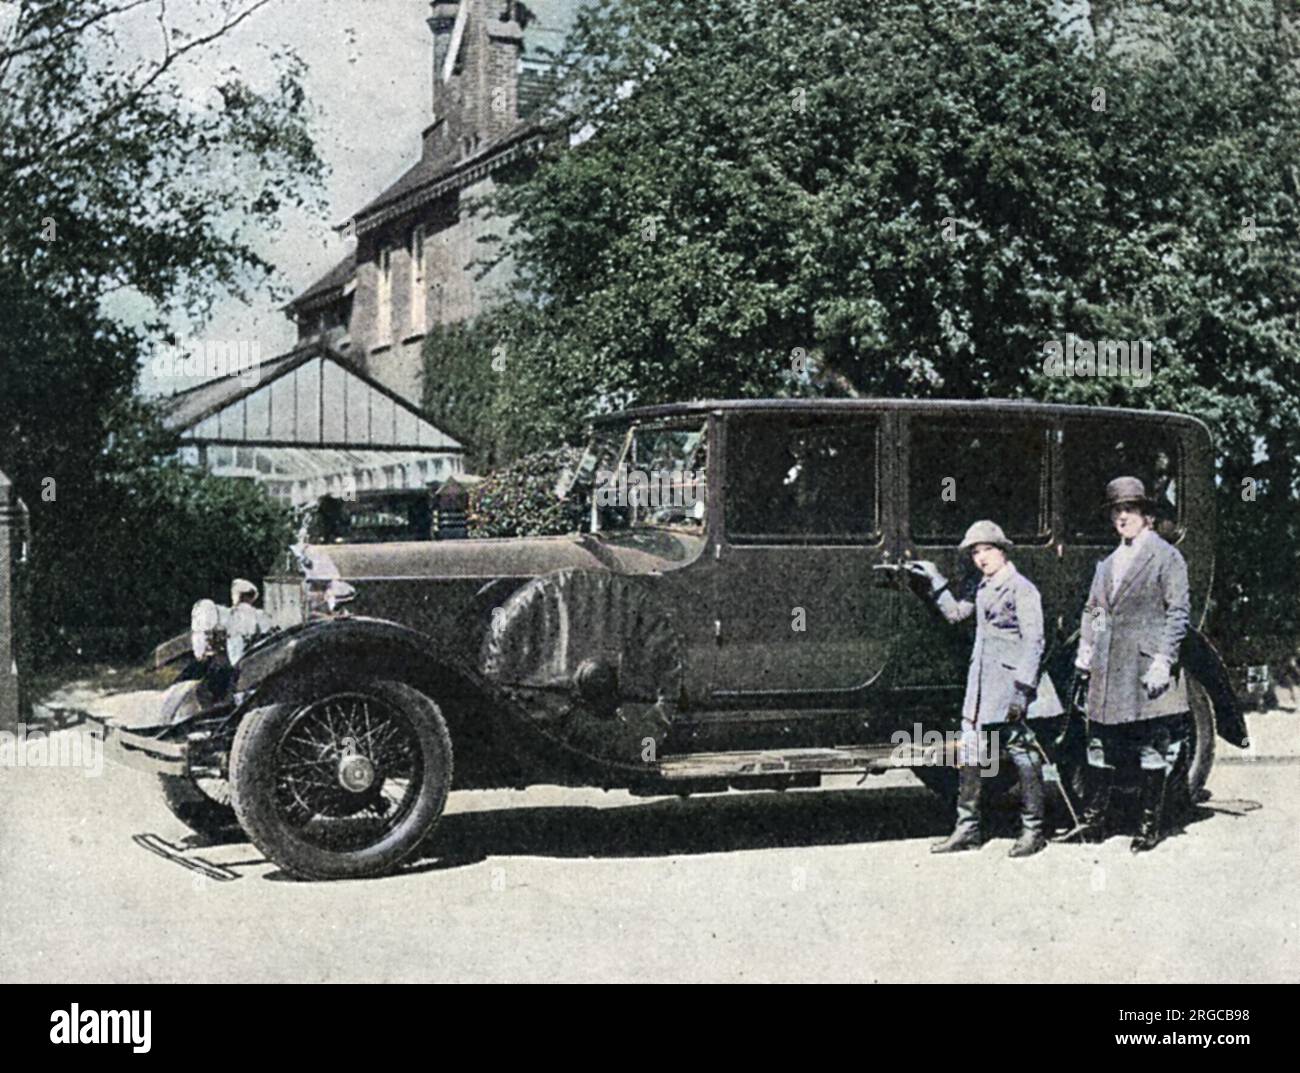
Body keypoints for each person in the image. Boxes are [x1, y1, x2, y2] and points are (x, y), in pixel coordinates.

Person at [905, 521, 1064, 858]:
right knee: (972, 752)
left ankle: (1033, 830)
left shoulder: (1021, 588)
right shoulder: (984, 587)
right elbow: (956, 614)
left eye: (986, 550)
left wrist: (1023, 689)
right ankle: (967, 828)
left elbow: (1034, 641)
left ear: (1002, 550)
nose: (981, 558)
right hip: (982, 683)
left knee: (1022, 753)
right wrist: (935, 581)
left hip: (1011, 684)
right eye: (975, 553)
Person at [1058, 476, 1191, 853]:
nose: (1122, 517)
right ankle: (1093, 821)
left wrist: (1164, 660)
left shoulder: (1166, 557)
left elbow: (1177, 612)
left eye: (1129, 510)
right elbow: (1097, 610)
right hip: (1108, 664)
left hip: (1144, 665)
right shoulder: (1108, 563)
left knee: (1150, 745)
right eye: (1117, 511)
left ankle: (1149, 827)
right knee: (1098, 742)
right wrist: (1089, 646)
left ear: (1146, 515)